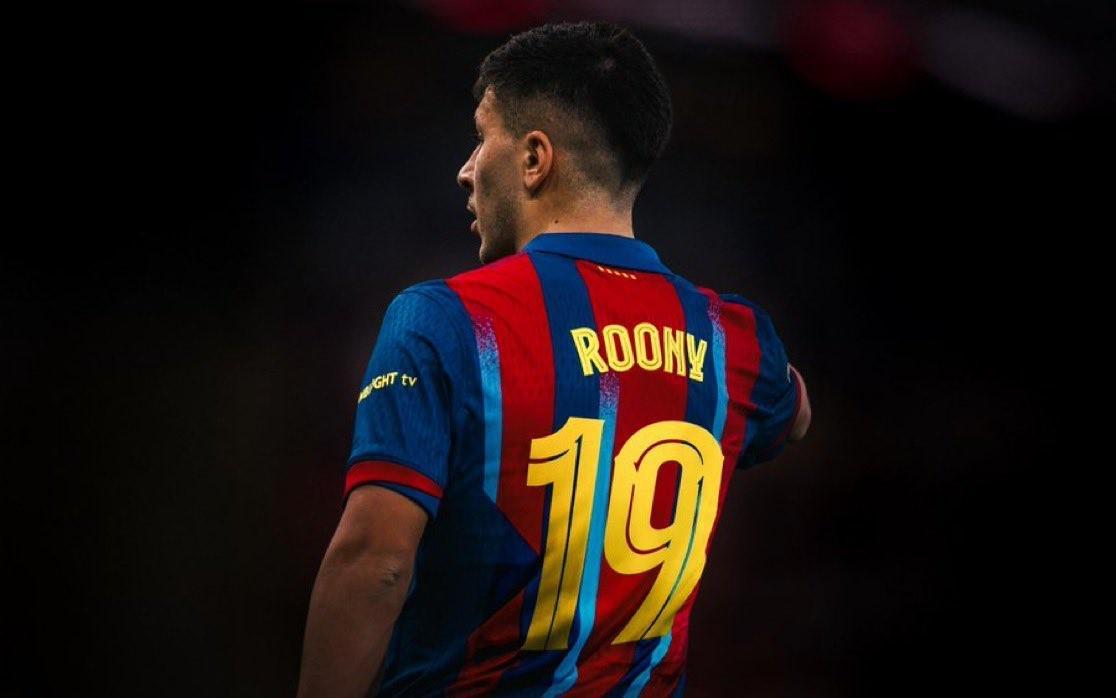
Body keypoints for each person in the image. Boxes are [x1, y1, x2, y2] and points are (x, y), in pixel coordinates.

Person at [297, 21, 811, 698]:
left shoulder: (444, 321)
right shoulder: (732, 340)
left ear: (536, 158)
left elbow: (377, 563)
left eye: (482, 138)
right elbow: (794, 412)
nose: (466, 169)